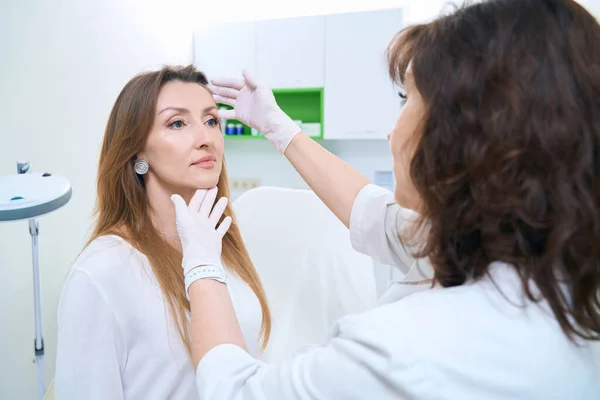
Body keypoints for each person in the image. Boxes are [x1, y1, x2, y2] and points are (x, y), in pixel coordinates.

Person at [170, 0, 600, 398]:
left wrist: (202, 265)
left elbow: (235, 392)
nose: (392, 131)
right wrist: (278, 127)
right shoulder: (559, 276)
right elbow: (374, 215)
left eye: (406, 98)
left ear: (464, 132)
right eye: (176, 123)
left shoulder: (407, 349)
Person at [54, 65, 272, 399]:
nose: (206, 139)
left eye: (211, 120)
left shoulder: (219, 243)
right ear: (137, 150)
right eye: (177, 123)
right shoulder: (101, 273)